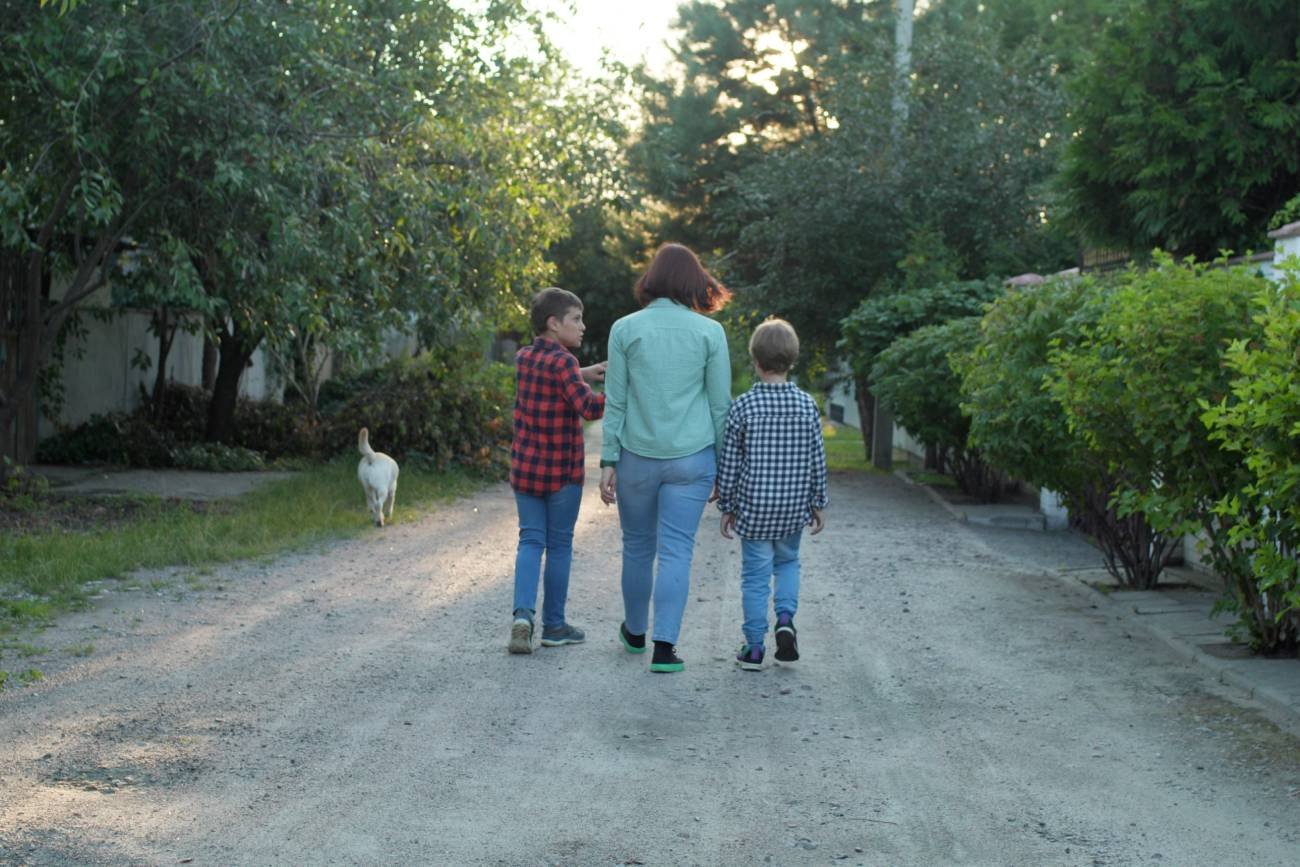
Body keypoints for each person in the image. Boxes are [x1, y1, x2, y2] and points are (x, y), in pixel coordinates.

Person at [599, 243, 732, 673]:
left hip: (636, 457)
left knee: (638, 547)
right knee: (677, 551)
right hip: (693, 460)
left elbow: (616, 402)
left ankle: (635, 633)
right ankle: (664, 648)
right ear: (694, 281)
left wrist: (608, 459)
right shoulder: (710, 333)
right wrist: (724, 466)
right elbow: (720, 406)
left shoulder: (624, 329)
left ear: (652, 278)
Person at [716, 318, 828, 671]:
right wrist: (818, 502)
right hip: (793, 508)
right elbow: (817, 458)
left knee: (755, 577)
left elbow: (730, 462)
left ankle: (753, 649)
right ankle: (785, 619)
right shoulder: (806, 405)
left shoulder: (743, 406)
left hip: (755, 508)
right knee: (788, 562)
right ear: (792, 359)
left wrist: (727, 505)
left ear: (755, 360)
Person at [508, 287, 607, 654]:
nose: (582, 327)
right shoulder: (564, 363)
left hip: (526, 471)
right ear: (554, 323)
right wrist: (621, 391)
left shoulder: (524, 357)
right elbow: (589, 409)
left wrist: (582, 372)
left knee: (530, 541)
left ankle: (522, 617)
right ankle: (554, 625)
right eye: (575, 319)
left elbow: (553, 377)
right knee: (560, 545)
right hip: (562, 475)